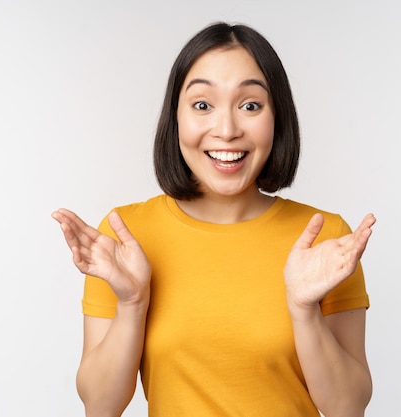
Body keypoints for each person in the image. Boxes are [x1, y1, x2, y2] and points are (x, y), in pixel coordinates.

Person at [52, 21, 376, 417]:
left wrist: (304, 311)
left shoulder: (325, 238)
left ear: (278, 117)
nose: (226, 130)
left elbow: (348, 408)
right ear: (176, 117)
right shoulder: (126, 237)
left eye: (250, 105)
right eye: (203, 105)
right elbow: (100, 407)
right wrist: (132, 303)